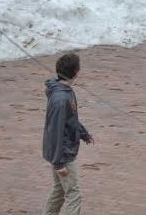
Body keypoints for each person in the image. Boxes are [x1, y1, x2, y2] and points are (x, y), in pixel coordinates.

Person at [43, 53, 94, 215]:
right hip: (63, 154)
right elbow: (55, 131)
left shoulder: (64, 91)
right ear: (75, 72)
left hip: (60, 152)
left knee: (59, 190)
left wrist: (83, 133)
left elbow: (70, 119)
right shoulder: (60, 99)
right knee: (74, 194)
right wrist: (59, 163)